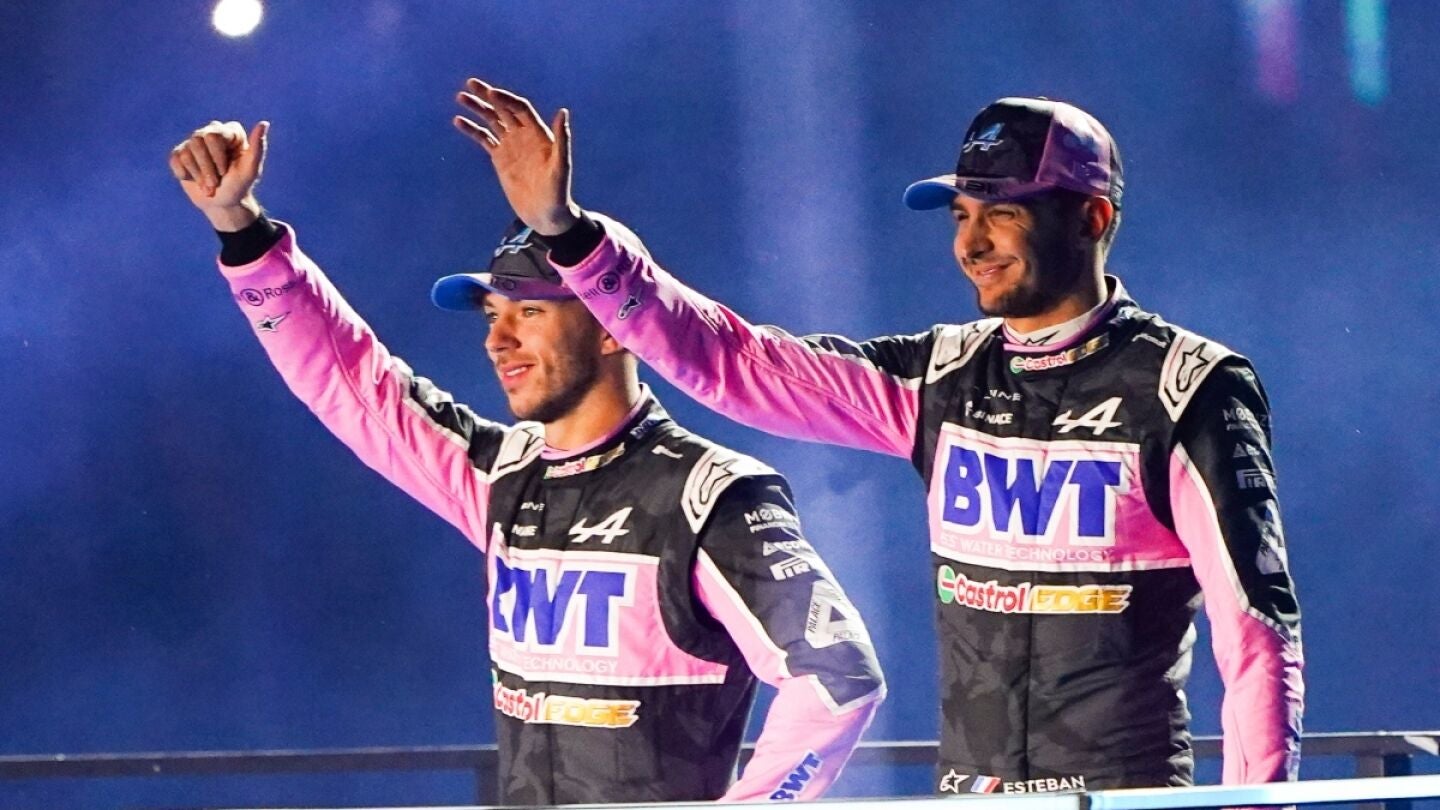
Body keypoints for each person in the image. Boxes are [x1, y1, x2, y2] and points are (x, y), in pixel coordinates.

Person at [452, 80, 1304, 795]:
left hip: (1121, 801)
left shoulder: (1188, 386)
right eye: (961, 214)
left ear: (1090, 217)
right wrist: (571, 238)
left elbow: (1256, 632)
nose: (970, 243)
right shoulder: (937, 378)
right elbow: (732, 362)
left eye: (1002, 213)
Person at [166, 119, 885, 805]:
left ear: (614, 326)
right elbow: (352, 383)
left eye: (529, 312)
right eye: (492, 315)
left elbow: (837, 677)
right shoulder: (500, 473)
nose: (497, 340)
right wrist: (243, 232)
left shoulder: (711, 494)